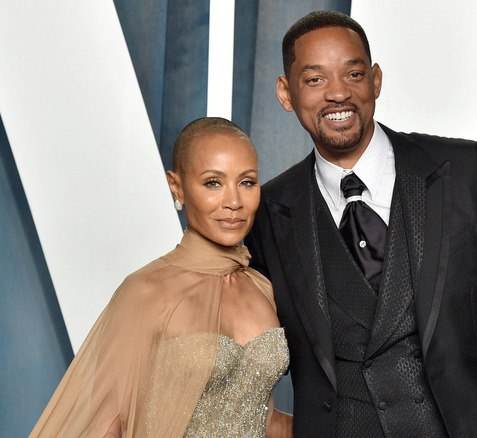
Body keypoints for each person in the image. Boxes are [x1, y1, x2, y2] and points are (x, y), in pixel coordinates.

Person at [244, 10, 477, 437]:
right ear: (285, 92)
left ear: (376, 80)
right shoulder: (266, 211)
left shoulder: (463, 169)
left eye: (353, 74)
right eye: (314, 79)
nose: (337, 94)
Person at [30, 117, 293, 437]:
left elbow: (262, 418)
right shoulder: (145, 291)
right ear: (177, 186)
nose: (234, 202)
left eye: (247, 182)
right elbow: (107, 426)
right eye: (213, 183)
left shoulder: (262, 286)